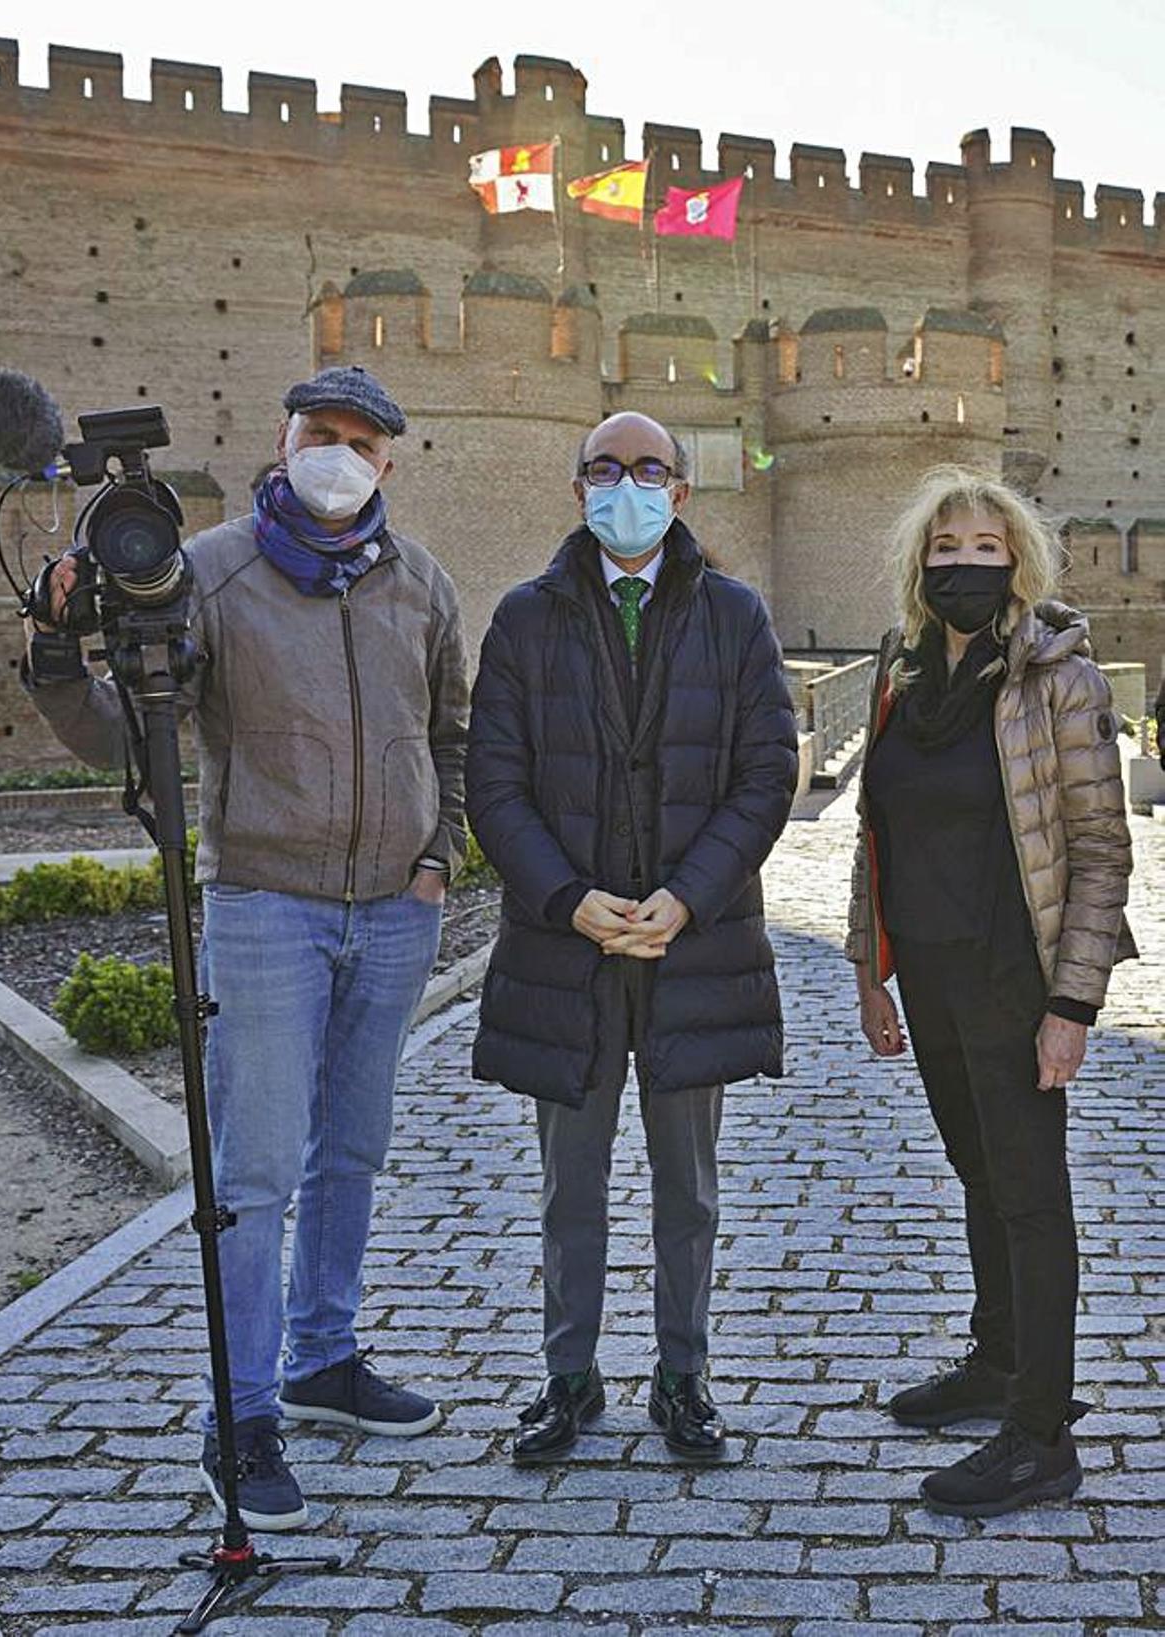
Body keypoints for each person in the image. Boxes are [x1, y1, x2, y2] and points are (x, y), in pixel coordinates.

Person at [23, 366, 469, 1530]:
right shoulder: (212, 569)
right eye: (320, 433)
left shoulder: (419, 581)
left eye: (362, 440)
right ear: (286, 440)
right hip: (266, 904)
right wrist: (61, 655)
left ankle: (325, 1357)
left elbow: (456, 728)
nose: (339, 453)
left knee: (352, 1152)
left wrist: (442, 852)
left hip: (393, 909)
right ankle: (246, 1414)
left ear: (388, 462)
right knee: (259, 1173)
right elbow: (132, 736)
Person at [466, 410, 798, 1463]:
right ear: (577, 489)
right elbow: (493, 781)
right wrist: (568, 898)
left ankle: (683, 1374)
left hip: (687, 945)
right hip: (567, 949)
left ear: (682, 492)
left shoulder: (736, 616)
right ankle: (569, 1376)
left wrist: (688, 895)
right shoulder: (525, 619)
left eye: (649, 469)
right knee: (573, 1185)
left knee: (686, 1188)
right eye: (606, 468)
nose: (628, 485)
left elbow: (765, 773)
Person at [846, 465, 1136, 1518]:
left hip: (1016, 974)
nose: (964, 563)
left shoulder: (1058, 675)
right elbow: (874, 832)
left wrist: (1074, 1006)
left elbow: (1102, 849)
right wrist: (869, 968)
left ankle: (1041, 1431)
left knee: (1029, 1190)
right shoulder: (902, 670)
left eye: (985, 547)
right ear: (919, 562)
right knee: (976, 1165)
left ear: (1019, 559)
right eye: (946, 547)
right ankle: (998, 1359)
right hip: (926, 967)